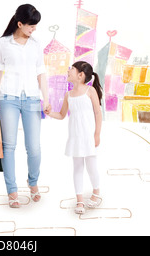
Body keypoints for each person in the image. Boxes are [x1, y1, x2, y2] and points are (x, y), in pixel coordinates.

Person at [0, 4, 50, 208]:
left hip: (33, 99)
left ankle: (33, 182)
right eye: (31, 26)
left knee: (34, 147)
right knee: (8, 146)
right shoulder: (2, 43)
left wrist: (47, 98)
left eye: (35, 26)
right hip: (8, 98)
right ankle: (12, 190)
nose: (34, 29)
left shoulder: (36, 45)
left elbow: (41, 72)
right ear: (20, 23)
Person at [44, 61, 103, 215]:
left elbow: (98, 113)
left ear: (80, 75)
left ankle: (96, 192)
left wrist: (97, 134)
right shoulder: (68, 95)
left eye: (72, 69)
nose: (68, 71)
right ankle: (80, 200)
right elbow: (62, 115)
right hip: (75, 137)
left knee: (91, 166)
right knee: (77, 168)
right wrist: (49, 112)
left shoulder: (90, 91)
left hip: (89, 136)